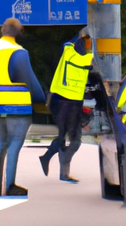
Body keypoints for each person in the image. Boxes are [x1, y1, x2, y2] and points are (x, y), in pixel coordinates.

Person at [0, 18, 45, 196]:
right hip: (18, 107)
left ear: (1, 30)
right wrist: (40, 97)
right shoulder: (19, 53)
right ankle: (11, 184)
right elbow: (28, 79)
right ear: (20, 32)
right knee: (14, 142)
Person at [39, 33, 93, 183]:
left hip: (56, 100)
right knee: (75, 140)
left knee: (62, 136)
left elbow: (68, 42)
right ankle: (55, 163)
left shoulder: (68, 51)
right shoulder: (87, 59)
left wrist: (80, 35)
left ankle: (55, 166)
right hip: (71, 103)